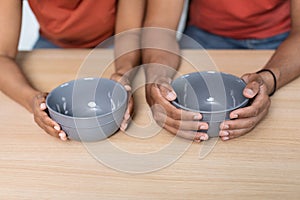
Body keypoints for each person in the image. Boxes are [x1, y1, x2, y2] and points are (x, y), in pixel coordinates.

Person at [144, 0, 300, 142]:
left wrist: (269, 78)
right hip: (202, 35)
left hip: (284, 41)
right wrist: (156, 79)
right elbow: (160, 26)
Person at [0, 0, 144, 141]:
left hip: (114, 42)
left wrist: (123, 72)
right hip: (51, 43)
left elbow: (128, 33)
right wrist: (31, 100)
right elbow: (2, 55)